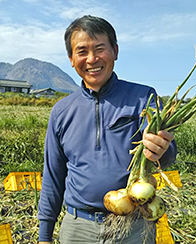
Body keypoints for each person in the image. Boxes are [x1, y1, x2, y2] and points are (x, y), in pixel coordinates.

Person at [38, 15, 177, 244]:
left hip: (132, 226)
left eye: (100, 49)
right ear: (71, 59)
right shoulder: (61, 111)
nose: (92, 59)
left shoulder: (143, 98)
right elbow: (53, 177)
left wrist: (162, 149)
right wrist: (44, 236)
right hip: (77, 228)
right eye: (82, 51)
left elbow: (165, 152)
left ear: (115, 51)